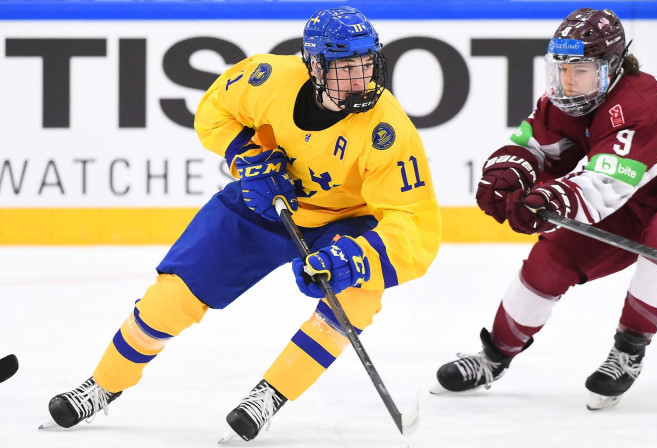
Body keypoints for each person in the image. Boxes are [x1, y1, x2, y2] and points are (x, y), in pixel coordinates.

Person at [44, 6, 440, 441]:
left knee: (353, 299)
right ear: (314, 65)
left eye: (366, 62)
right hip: (261, 203)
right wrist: (247, 157)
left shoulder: (388, 129)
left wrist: (355, 259)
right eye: (345, 65)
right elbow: (214, 110)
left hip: (345, 219)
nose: (360, 76)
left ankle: (269, 396)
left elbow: (414, 221)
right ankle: (103, 384)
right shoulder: (267, 78)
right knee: (171, 296)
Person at [431, 8, 657, 410]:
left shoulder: (642, 107)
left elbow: (603, 186)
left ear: (611, 66)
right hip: (636, 198)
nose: (568, 82)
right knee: (551, 259)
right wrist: (509, 172)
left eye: (580, 70)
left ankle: (629, 350)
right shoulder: (563, 101)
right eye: (561, 70)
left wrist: (550, 197)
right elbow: (537, 149)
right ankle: (493, 357)